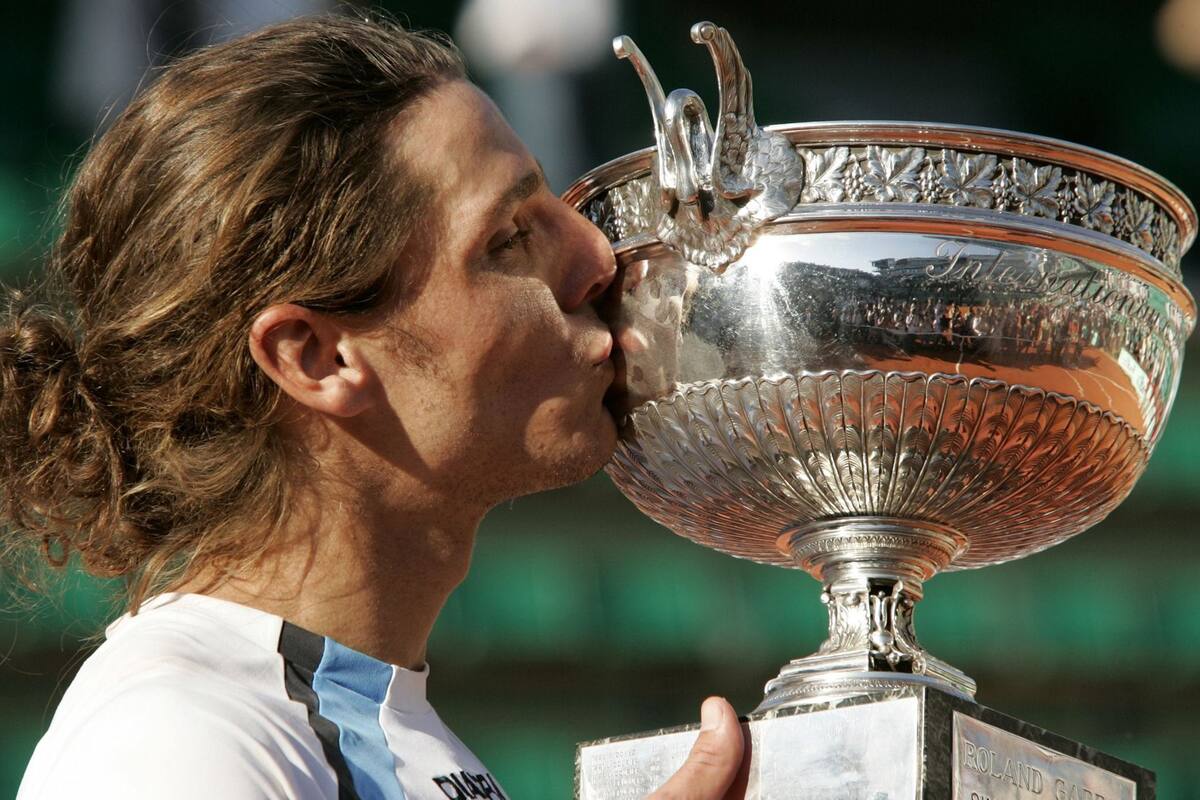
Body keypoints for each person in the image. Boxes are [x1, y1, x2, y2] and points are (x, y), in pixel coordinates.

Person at [2, 13, 745, 800]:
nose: (598, 259)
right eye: (508, 240)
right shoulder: (175, 738)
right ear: (316, 358)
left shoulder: (388, 731)